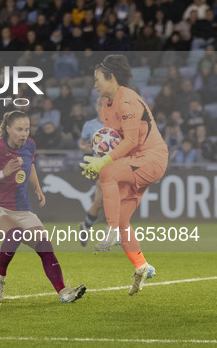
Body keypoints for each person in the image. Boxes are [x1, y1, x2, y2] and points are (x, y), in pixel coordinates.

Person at [0, 110, 86, 303]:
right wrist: (3, 173)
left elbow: (30, 165)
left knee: (45, 246)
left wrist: (37, 187)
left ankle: (63, 292)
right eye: (19, 129)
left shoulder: (30, 145)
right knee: (14, 233)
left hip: (22, 207)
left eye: (27, 129)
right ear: (8, 129)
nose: (24, 133)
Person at [80, 54, 168, 295]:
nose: (94, 83)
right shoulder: (107, 109)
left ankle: (110, 231)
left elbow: (129, 140)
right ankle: (141, 266)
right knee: (122, 219)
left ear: (112, 77)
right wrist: (98, 162)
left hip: (151, 158)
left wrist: (103, 163)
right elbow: (117, 143)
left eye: (97, 79)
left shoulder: (127, 101)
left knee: (107, 173)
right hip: (134, 162)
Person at [78, 97, 106, 246]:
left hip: (116, 165)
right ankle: (112, 230)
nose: (101, 105)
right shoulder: (90, 125)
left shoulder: (117, 123)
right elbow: (82, 143)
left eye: (104, 103)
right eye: (98, 103)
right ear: (95, 107)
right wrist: (85, 148)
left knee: (99, 202)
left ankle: (86, 225)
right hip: (98, 167)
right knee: (105, 188)